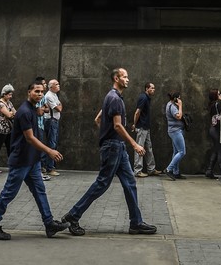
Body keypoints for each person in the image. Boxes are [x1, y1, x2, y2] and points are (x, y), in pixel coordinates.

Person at [59, 68, 157, 237]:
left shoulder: (112, 97)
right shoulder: (115, 99)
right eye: (124, 76)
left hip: (115, 146)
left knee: (130, 183)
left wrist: (106, 135)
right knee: (102, 183)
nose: (128, 79)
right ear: (116, 78)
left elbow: (98, 119)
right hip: (114, 147)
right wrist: (134, 144)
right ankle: (73, 216)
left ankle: (136, 223)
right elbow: (118, 125)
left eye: (127, 76)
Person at [0, 81, 70, 241]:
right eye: (36, 91)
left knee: (40, 191)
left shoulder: (32, 109)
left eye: (42, 91)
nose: (40, 94)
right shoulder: (24, 111)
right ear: (29, 92)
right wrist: (49, 150)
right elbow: (29, 138)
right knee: (9, 193)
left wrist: (40, 111)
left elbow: (37, 113)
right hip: (21, 161)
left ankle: (49, 223)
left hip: (33, 161)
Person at [131, 82, 158, 178]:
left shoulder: (147, 98)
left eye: (154, 88)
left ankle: (151, 169)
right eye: (152, 88)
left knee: (149, 148)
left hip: (146, 127)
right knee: (139, 149)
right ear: (147, 89)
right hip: (141, 127)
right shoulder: (143, 98)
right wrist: (134, 124)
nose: (154, 90)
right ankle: (137, 171)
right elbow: (137, 112)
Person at [41, 78, 61, 177]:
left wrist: (59, 105)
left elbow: (60, 106)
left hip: (55, 121)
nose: (58, 85)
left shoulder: (54, 95)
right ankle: (50, 167)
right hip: (51, 121)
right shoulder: (49, 96)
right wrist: (59, 105)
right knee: (51, 144)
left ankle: (45, 165)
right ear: (51, 86)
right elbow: (59, 108)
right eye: (56, 84)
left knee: (52, 143)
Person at [164, 90, 186, 180]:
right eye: (179, 98)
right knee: (182, 152)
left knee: (176, 152)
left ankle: (176, 172)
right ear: (176, 99)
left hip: (175, 130)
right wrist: (180, 106)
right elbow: (179, 116)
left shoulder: (170, 104)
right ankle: (169, 169)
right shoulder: (172, 106)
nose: (180, 99)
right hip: (175, 131)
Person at [203, 88, 221, 179]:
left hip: (212, 129)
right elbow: (220, 118)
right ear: (215, 96)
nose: (220, 95)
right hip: (216, 130)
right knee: (220, 151)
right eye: (219, 94)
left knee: (216, 149)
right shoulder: (217, 105)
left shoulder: (212, 105)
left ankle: (209, 170)